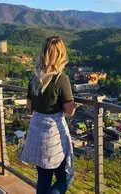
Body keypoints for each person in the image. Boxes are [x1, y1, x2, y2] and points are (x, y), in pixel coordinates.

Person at [19, 36, 75, 194]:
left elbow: (29, 105)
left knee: (43, 177)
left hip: (36, 130)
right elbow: (69, 110)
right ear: (61, 55)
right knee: (65, 177)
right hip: (53, 134)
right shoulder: (61, 79)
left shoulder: (35, 78)